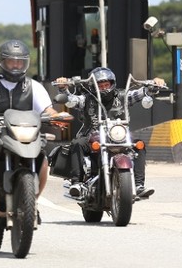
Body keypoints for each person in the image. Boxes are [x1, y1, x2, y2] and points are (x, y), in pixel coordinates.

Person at [0, 39, 60, 222]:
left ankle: (32, 203)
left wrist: (57, 117)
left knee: (42, 163)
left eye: (20, 62)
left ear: (26, 63)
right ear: (2, 62)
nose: (16, 66)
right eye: (11, 61)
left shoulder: (34, 87)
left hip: (25, 134)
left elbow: (48, 110)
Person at [55, 66, 163, 199]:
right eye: (101, 86)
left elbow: (139, 93)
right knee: (77, 143)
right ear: (94, 86)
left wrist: (154, 84)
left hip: (118, 136)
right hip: (93, 135)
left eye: (107, 84)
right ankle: (76, 183)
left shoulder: (122, 96)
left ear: (113, 84)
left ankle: (138, 185)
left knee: (139, 145)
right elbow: (72, 100)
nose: (105, 88)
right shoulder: (87, 99)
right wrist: (63, 88)